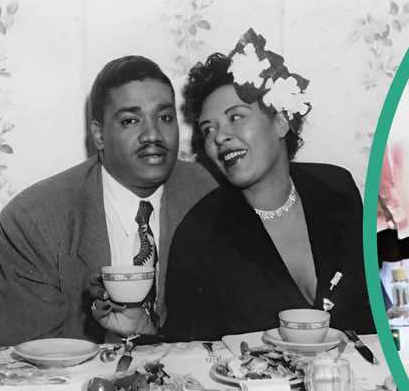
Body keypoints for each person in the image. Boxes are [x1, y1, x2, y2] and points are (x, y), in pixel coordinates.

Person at [105, 30, 374, 341]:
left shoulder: (337, 189)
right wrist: (143, 331)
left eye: (236, 117)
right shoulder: (200, 233)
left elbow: (373, 311)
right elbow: (187, 351)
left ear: (281, 121)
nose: (219, 137)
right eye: (209, 129)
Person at [0, 56, 217, 346]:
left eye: (165, 117)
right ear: (99, 135)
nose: (153, 135)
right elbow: (22, 357)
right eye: (131, 120)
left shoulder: (208, 194)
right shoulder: (33, 219)